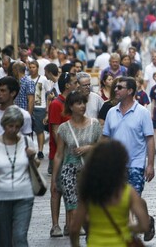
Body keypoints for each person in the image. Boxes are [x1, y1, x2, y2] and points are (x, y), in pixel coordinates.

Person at [102, 76, 155, 241]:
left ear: (130, 90)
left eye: (120, 87)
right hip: (115, 167)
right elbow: (105, 138)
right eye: (116, 87)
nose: (116, 89)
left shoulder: (142, 112)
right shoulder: (111, 112)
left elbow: (150, 139)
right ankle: (145, 222)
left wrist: (150, 165)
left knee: (132, 201)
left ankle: (131, 236)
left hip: (136, 164)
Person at [69, 140, 151, 246]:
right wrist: (126, 228)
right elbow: (144, 225)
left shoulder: (89, 191)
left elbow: (75, 228)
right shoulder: (128, 192)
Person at [0, 105, 37, 246]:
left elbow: (35, 166)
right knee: (2, 241)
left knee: (20, 236)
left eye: (17, 126)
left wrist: (33, 157)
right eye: (10, 126)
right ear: (4, 124)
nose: (13, 130)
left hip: (24, 196)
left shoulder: (27, 142)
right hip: (0, 197)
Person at [53, 90, 102, 236]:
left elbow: (102, 146)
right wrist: (54, 179)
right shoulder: (63, 128)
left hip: (89, 171)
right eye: (78, 103)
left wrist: (89, 147)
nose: (82, 106)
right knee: (72, 204)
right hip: (69, 170)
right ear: (71, 106)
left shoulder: (94, 125)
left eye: (83, 103)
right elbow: (59, 154)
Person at [48, 72, 78, 237]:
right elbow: (55, 131)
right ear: (67, 85)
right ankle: (55, 225)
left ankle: (69, 225)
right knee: (56, 190)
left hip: (72, 154)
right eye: (74, 82)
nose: (77, 85)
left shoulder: (72, 104)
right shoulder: (56, 104)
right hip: (59, 153)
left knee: (70, 189)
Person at [28, 60, 49, 159]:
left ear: (37, 68)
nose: (32, 69)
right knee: (29, 129)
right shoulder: (27, 79)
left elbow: (48, 93)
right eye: (30, 67)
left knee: (39, 130)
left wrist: (47, 110)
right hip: (29, 106)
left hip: (40, 107)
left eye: (34, 67)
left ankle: (40, 150)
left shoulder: (43, 79)